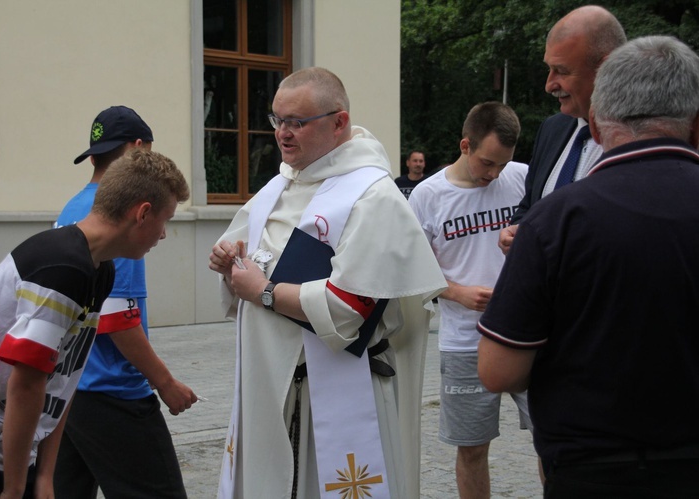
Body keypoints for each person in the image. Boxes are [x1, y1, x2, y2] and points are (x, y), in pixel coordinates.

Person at [477, 36, 699, 497]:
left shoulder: (558, 219)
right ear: (694, 124)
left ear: (595, 124)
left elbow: (499, 371)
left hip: (594, 469)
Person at [209, 67, 446, 498]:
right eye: (277, 120)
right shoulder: (278, 186)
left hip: (331, 394)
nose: (282, 133)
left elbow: (349, 308)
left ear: (339, 123)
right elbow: (243, 262)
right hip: (271, 388)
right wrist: (228, 261)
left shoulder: (372, 196)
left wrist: (262, 291)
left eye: (296, 122)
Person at [0, 149, 189, 499]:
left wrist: (46, 475)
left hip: (6, 445)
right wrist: (15, 489)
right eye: (166, 220)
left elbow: (63, 379)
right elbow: (26, 385)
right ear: (142, 213)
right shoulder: (62, 268)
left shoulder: (100, 268)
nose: (164, 235)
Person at [53, 107, 198, 499]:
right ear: (137, 149)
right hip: (114, 392)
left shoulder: (72, 208)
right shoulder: (120, 219)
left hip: (70, 389)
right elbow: (116, 316)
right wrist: (164, 383)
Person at [409, 102, 530, 499]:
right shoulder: (427, 197)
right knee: (473, 448)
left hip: (528, 333)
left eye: (502, 165)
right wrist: (456, 292)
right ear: (465, 145)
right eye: (487, 163)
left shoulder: (523, 178)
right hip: (464, 342)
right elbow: (411, 270)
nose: (494, 174)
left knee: (554, 437)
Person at [498, 6, 626, 254]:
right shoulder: (552, 129)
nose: (549, 85)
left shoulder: (641, 137)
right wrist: (517, 230)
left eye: (562, 71)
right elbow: (530, 206)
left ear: (606, 68)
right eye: (549, 68)